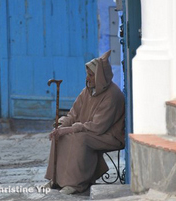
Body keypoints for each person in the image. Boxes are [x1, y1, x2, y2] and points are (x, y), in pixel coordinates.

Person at [44, 50, 125, 195]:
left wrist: (72, 129)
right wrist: (62, 125)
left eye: (91, 75)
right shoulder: (87, 91)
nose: (87, 78)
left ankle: (76, 183)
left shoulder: (112, 95)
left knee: (79, 138)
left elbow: (98, 127)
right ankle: (56, 179)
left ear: (101, 76)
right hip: (90, 131)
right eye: (87, 74)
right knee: (60, 135)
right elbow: (73, 114)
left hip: (109, 135)